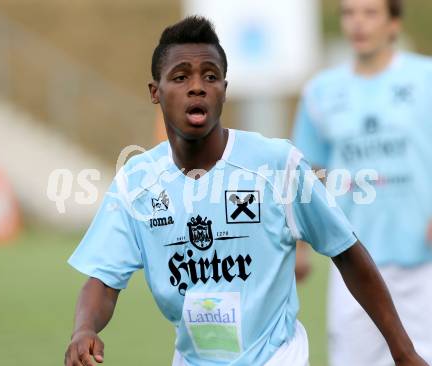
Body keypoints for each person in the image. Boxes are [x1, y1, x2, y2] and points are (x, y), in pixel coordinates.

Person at [64, 16, 427, 366]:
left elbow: (346, 251)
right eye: (180, 76)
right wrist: (84, 329)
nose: (197, 86)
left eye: (210, 76)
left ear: (224, 90)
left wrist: (402, 352)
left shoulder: (276, 165)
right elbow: (104, 280)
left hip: (277, 358)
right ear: (155, 92)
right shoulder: (137, 181)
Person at [293, 0, 432, 365]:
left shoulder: (425, 78)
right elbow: (308, 172)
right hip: (352, 260)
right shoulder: (321, 91)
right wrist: (300, 246)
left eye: (370, 13)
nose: (358, 23)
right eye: (349, 13)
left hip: (422, 260)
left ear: (393, 23)